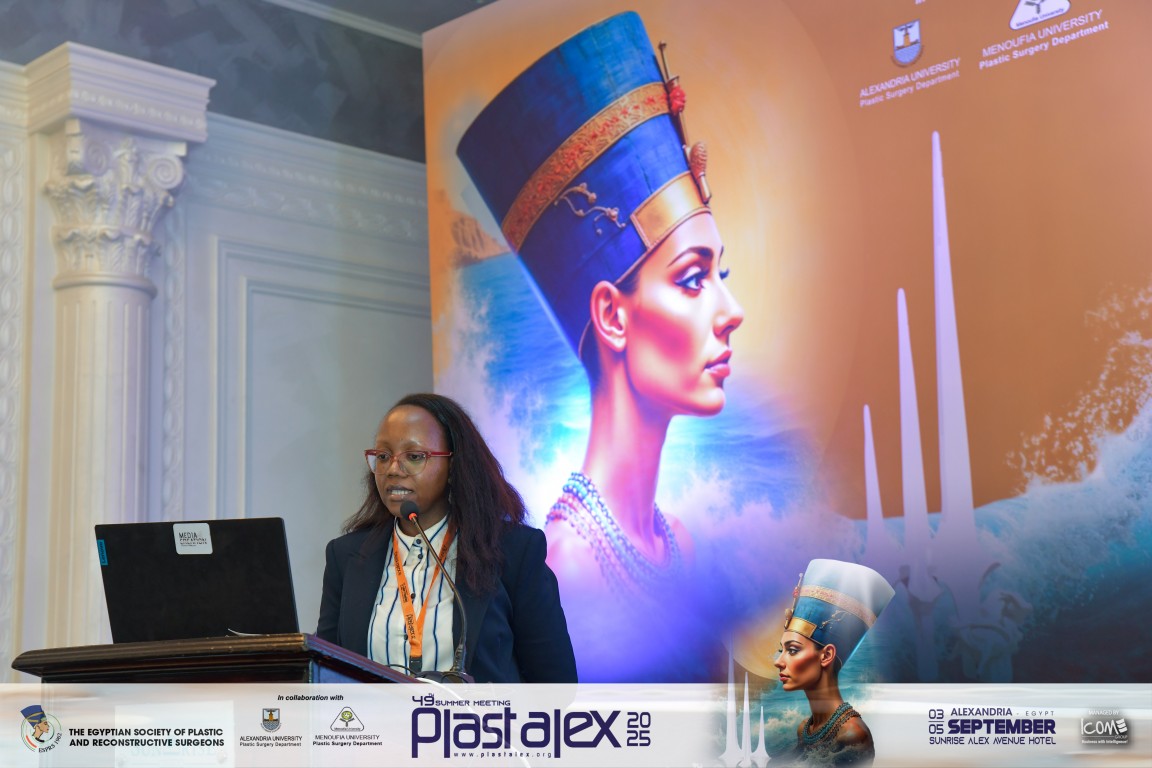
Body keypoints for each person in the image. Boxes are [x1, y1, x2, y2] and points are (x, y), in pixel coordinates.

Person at [456, 11, 743, 681]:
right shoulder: (562, 566)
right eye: (693, 279)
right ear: (612, 315)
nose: (731, 312)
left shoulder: (680, 545)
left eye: (721, 275)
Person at [316, 393, 577, 684]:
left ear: (453, 466)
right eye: (383, 456)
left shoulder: (513, 551)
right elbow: (323, 675)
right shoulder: (346, 557)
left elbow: (556, 683)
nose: (392, 470)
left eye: (414, 457)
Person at [774, 559, 895, 766]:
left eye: (792, 650)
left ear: (826, 655)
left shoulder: (852, 735)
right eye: (781, 650)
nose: (778, 662)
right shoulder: (805, 729)